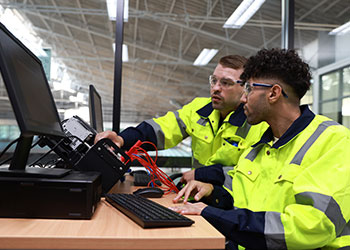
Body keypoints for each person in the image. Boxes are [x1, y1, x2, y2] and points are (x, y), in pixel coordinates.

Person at [171, 48, 350, 250]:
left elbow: (311, 226)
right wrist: (212, 192)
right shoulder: (259, 147)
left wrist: (212, 214)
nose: (242, 98)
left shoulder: (333, 141)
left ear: (273, 93)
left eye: (249, 88)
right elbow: (237, 198)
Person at [95, 55, 267, 182]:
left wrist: (201, 176)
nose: (215, 88)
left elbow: (249, 175)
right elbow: (162, 128)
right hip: (195, 197)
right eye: (214, 80)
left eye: (226, 83)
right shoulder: (200, 108)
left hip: (229, 207)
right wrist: (122, 139)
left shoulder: (256, 124)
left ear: (245, 88)